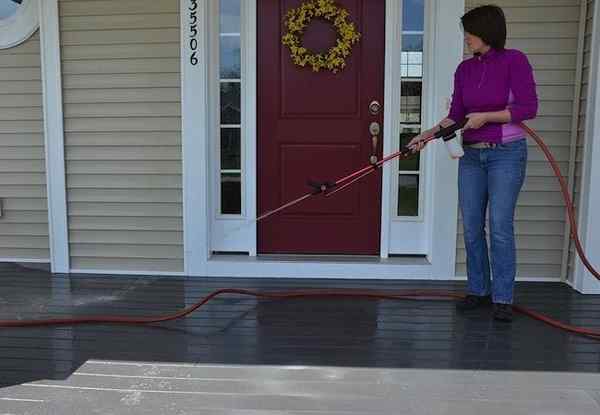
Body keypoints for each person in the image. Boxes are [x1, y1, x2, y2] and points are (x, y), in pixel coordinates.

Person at [408, 5, 538, 322]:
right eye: (465, 32)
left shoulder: (514, 60)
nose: (466, 38)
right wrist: (426, 134)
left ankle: (503, 298)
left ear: (488, 31)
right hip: (472, 157)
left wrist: (486, 117)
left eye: (471, 32)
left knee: (500, 228)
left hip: (505, 154)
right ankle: (478, 291)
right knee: (470, 228)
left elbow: (528, 108)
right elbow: (456, 116)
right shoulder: (464, 70)